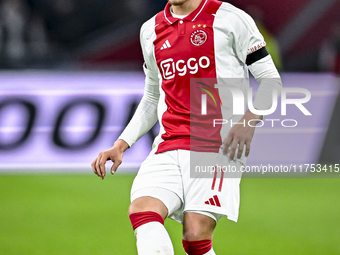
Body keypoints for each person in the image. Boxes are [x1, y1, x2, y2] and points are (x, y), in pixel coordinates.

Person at [92, 0, 282, 254]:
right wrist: (121, 143)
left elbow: (271, 80)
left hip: (217, 146)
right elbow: (152, 97)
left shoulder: (230, 19)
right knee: (143, 211)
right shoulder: (151, 30)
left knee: (195, 236)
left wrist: (248, 122)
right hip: (168, 145)